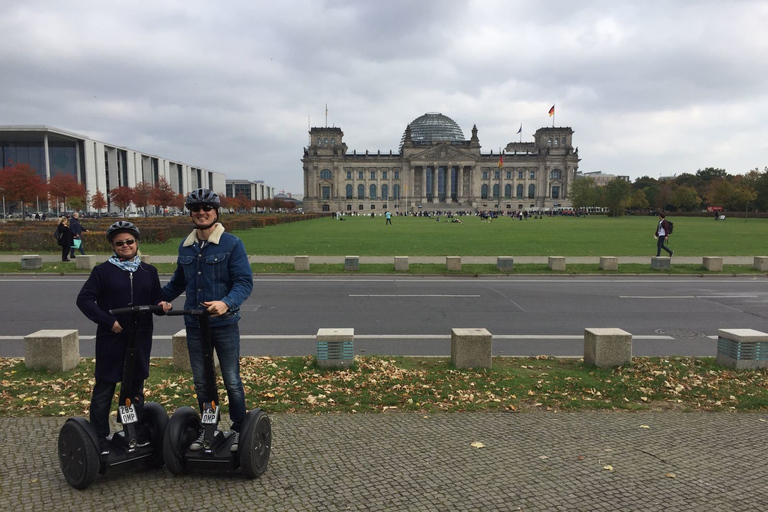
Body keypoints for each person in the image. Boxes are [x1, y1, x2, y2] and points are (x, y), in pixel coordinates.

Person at [162, 188, 253, 452]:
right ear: (190, 213)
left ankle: (238, 429)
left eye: (207, 208)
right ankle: (209, 427)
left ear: (215, 212)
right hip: (194, 324)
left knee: (231, 380)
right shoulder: (186, 245)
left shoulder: (232, 243)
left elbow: (244, 282)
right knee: (202, 382)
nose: (201, 213)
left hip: (224, 325)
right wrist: (159, 299)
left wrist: (226, 303)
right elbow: (177, 283)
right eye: (196, 209)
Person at [76, 221, 172, 454]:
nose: (125, 246)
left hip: (139, 338)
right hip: (112, 338)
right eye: (119, 243)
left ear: (137, 242)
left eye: (129, 241)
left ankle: (132, 432)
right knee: (105, 388)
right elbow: (84, 300)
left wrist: (163, 305)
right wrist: (108, 321)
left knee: (134, 387)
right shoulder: (102, 271)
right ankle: (99, 436)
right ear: (113, 246)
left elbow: (156, 300)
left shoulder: (149, 272)